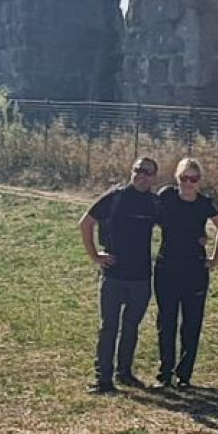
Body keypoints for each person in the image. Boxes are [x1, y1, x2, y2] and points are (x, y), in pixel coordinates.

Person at [79, 156, 164, 393]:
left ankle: (124, 373)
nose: (142, 175)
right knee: (109, 327)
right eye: (138, 170)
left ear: (154, 178)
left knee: (131, 327)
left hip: (141, 277)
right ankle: (103, 379)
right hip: (114, 276)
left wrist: (199, 237)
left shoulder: (154, 203)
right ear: (131, 171)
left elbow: (176, 226)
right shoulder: (115, 197)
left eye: (148, 172)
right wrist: (95, 255)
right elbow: (85, 223)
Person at [151, 157, 218, 389]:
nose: (188, 183)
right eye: (184, 177)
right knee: (166, 321)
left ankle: (184, 376)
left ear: (199, 180)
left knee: (192, 323)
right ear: (177, 177)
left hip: (195, 269)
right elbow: (149, 218)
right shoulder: (166, 196)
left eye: (193, 179)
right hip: (166, 267)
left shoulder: (206, 203)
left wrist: (214, 258)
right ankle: (165, 374)